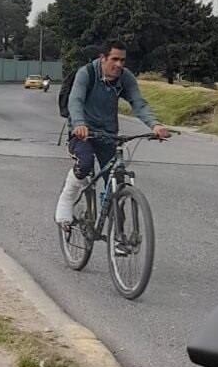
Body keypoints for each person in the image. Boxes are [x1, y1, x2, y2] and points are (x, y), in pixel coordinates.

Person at [54, 39, 170, 228]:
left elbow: (138, 103)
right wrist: (79, 124)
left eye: (123, 60)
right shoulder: (87, 74)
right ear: (103, 58)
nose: (119, 65)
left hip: (108, 135)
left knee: (116, 181)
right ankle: (66, 200)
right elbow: (75, 101)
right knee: (85, 163)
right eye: (114, 59)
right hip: (83, 133)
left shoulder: (125, 78)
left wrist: (154, 125)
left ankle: (119, 235)